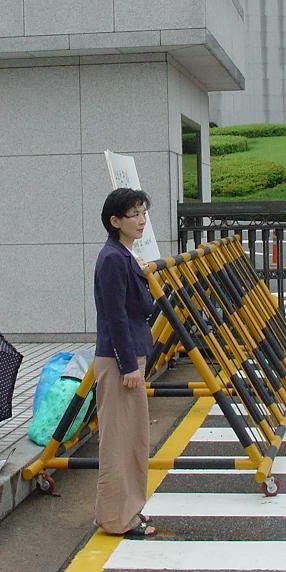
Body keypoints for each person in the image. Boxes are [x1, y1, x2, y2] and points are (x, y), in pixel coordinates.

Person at [93, 188, 157, 538]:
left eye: (143, 212)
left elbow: (139, 307)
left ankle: (121, 513)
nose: (141, 220)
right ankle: (118, 519)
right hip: (121, 362)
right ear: (115, 221)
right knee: (120, 442)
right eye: (134, 214)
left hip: (127, 357)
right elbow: (114, 316)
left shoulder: (124, 255)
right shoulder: (113, 258)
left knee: (131, 439)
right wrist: (128, 365)